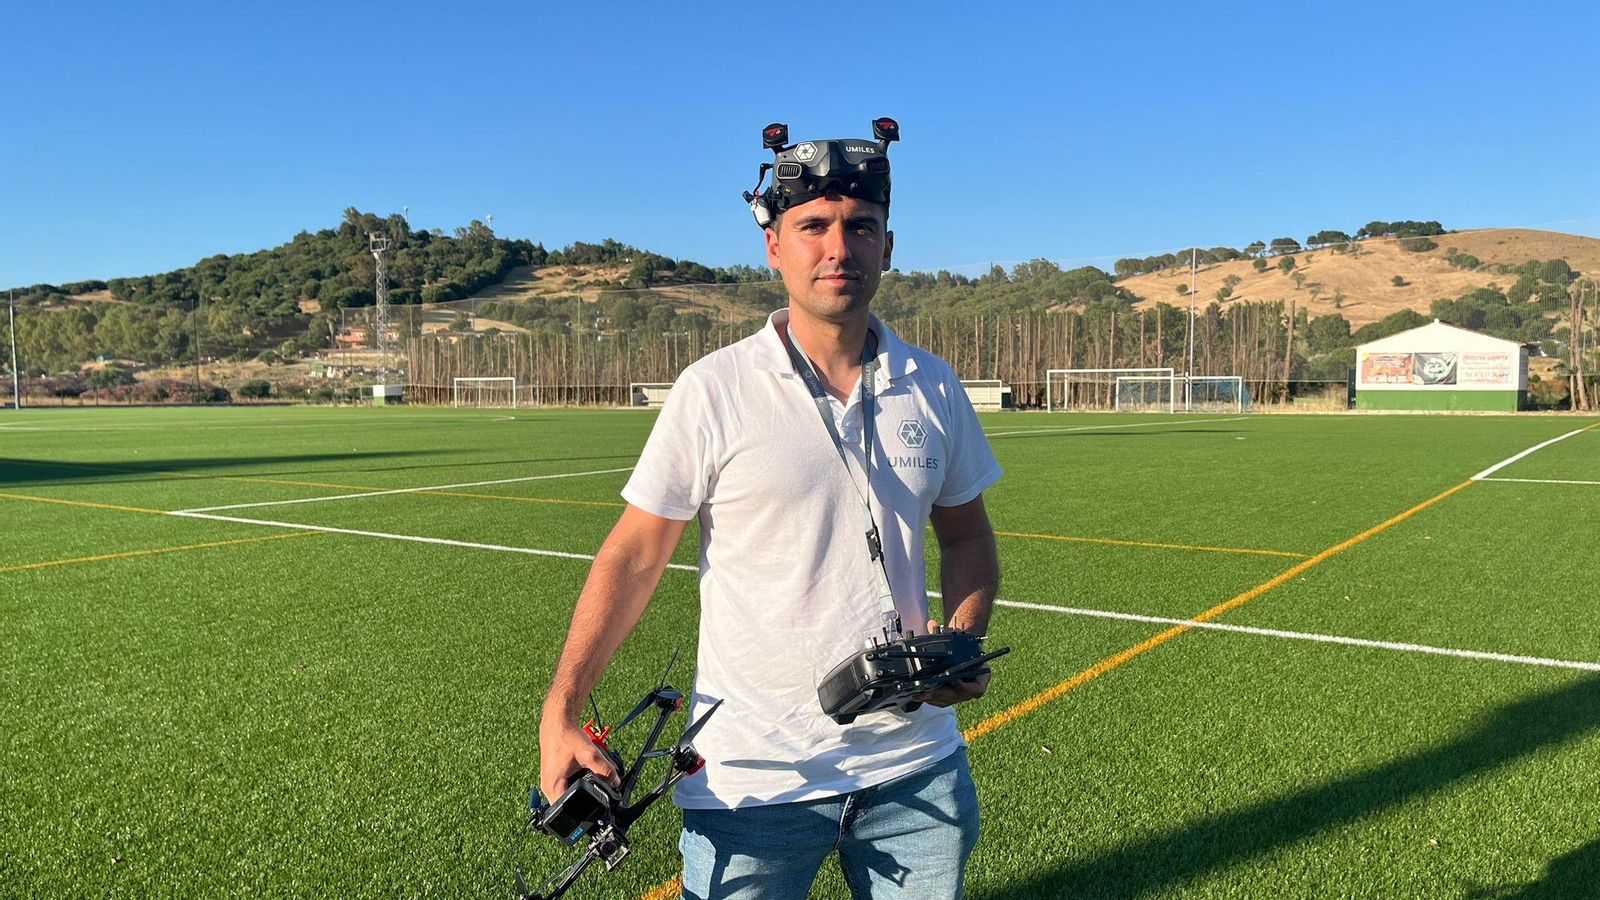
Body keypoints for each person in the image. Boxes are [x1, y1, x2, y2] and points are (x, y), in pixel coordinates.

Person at [537, 118, 1002, 899]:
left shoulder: (933, 383)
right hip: (752, 785)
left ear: (888, 246)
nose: (839, 247)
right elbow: (634, 555)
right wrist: (561, 712)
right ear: (774, 247)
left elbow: (968, 536)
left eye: (861, 227)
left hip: (917, 775)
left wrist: (963, 640)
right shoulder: (714, 389)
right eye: (813, 226)